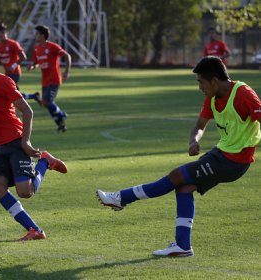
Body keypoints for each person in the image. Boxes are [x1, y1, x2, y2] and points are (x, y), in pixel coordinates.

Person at [97, 56, 261, 257]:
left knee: (176, 176)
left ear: (214, 81)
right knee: (184, 187)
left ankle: (120, 198)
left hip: (233, 161)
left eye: (201, 82)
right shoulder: (212, 97)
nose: (200, 87)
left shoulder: (243, 94)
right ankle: (183, 245)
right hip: (221, 154)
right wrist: (194, 140)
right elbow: (199, 126)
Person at [0, 40, 68, 241]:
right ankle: (34, 230)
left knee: (26, 192)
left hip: (15, 142)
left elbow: (28, 111)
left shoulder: (3, 81)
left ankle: (44, 161)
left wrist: (26, 142)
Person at [27, 25, 71, 133]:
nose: (35, 36)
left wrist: (66, 71)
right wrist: (32, 67)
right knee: (45, 104)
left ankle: (61, 115)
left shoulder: (52, 47)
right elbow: (36, 63)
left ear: (42, 35)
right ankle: (60, 123)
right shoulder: (36, 48)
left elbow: (67, 56)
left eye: (37, 34)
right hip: (45, 81)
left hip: (54, 79)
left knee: (47, 102)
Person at [0, 22, 41, 105]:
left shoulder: (13, 44)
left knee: (10, 93)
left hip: (15, 72)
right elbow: (1, 59)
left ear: (7, 33)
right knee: (14, 93)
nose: (1, 35)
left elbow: (23, 57)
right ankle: (34, 96)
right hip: (7, 73)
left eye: (2, 32)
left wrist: (13, 66)